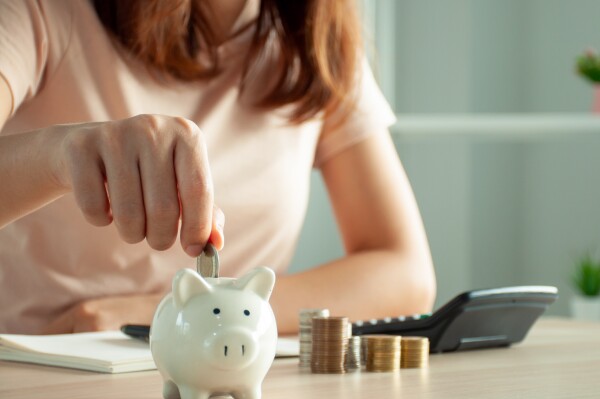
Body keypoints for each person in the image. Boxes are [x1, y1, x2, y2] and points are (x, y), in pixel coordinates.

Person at [0, 0, 436, 335]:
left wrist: (165, 313)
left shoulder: (309, 40)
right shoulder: (38, 11)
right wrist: (61, 154)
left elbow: (404, 272)